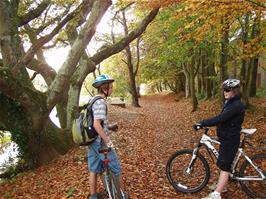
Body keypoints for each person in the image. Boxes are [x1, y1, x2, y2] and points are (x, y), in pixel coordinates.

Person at [193, 79, 245, 199]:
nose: (224, 92)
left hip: (230, 140)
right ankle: (223, 185)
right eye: (224, 90)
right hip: (226, 138)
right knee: (223, 164)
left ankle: (216, 195)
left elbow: (220, 118)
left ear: (234, 91)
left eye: (227, 90)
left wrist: (202, 123)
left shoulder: (236, 105)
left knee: (225, 166)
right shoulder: (230, 102)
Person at [88, 74, 128, 199]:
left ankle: (94, 197)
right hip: (100, 143)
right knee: (116, 169)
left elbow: (96, 122)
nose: (112, 89)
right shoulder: (100, 102)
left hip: (91, 141)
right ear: (104, 88)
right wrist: (108, 141)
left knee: (93, 170)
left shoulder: (92, 100)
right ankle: (123, 196)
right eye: (111, 87)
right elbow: (96, 124)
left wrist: (109, 127)